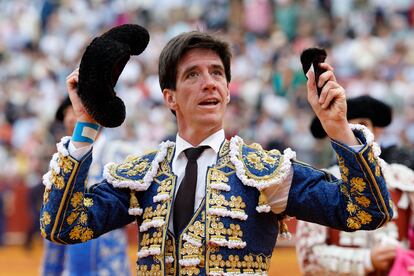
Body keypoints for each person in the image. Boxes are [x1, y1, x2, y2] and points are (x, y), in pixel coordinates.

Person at [40, 31, 393, 275]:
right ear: (170, 97)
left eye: (217, 73)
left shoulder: (264, 172)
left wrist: (339, 130)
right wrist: (85, 126)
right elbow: (63, 226)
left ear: (226, 91)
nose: (209, 82)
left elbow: (367, 213)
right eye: (192, 74)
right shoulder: (144, 175)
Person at [296, 95, 414, 275]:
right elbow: (309, 258)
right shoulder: (321, 183)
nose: (353, 133)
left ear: (377, 131)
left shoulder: (405, 180)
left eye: (363, 124)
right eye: (344, 127)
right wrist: (367, 260)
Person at [41, 97, 131, 276]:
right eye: (68, 113)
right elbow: (54, 232)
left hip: (110, 267)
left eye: (74, 111)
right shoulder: (61, 163)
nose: (69, 118)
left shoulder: (123, 155)